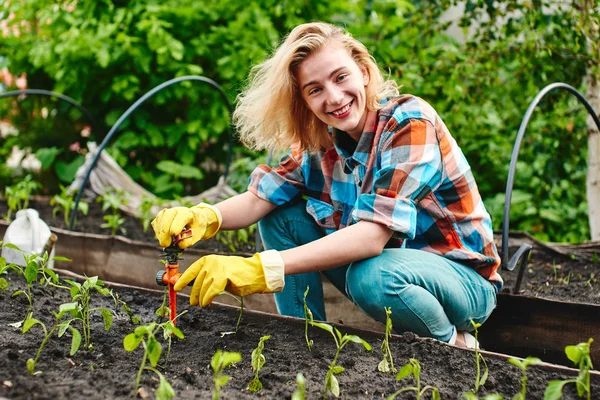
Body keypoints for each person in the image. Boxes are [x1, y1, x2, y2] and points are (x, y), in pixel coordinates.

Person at [151, 22, 501, 348]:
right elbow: (260, 199)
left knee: (372, 276)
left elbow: (371, 236)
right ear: (303, 100)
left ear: (363, 72)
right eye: (315, 89)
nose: (333, 98)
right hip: (391, 273)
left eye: (340, 77)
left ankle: (453, 344)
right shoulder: (321, 143)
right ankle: (303, 343)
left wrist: (261, 268)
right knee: (280, 216)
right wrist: (204, 215)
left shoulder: (409, 123)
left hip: (463, 283)